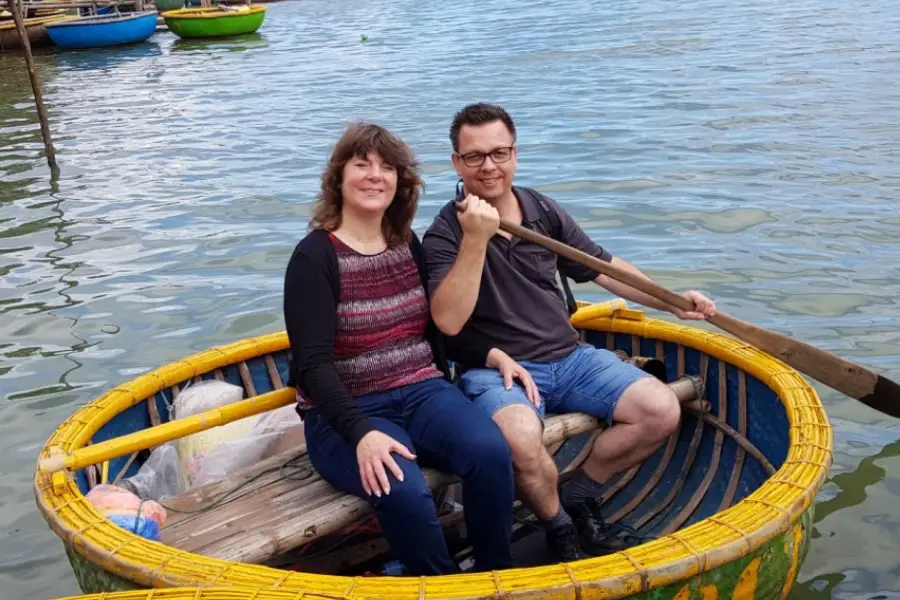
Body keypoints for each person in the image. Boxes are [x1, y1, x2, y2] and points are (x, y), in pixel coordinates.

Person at [422, 103, 717, 563]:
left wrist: (672, 300)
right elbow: (448, 321)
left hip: (571, 357)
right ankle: (561, 528)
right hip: (499, 370)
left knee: (660, 410)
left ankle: (577, 494)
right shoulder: (444, 233)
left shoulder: (541, 210)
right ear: (456, 163)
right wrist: (476, 238)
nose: (489, 166)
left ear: (515, 155)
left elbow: (604, 268)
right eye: (475, 156)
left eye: (499, 153)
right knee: (519, 440)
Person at [283, 122, 515, 576]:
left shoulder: (407, 243)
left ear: (400, 182)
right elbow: (311, 366)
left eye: (387, 167)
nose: (375, 176)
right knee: (402, 488)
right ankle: (440, 585)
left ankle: (496, 577)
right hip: (345, 414)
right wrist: (361, 432)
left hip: (422, 391)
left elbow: (435, 327)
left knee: (490, 452)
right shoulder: (314, 257)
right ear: (338, 178)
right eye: (362, 164)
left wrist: (489, 353)